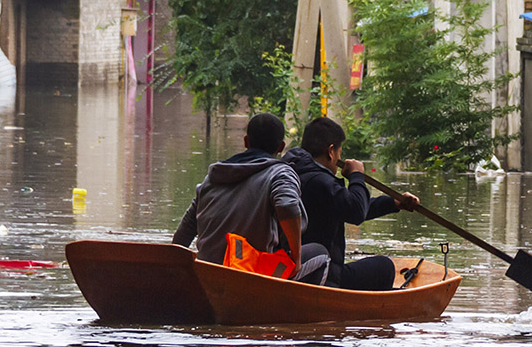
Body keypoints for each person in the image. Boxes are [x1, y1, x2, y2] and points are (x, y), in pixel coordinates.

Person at [172, 113, 329, 284]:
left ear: (246, 142)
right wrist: (296, 258)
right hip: (250, 276)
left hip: (207, 274)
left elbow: (184, 233)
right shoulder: (280, 173)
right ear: (281, 147)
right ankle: (285, 309)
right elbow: (288, 205)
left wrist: (171, 268)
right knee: (321, 254)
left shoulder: (212, 178)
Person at [283, 117, 420, 290]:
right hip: (324, 274)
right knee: (384, 267)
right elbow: (356, 211)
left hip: (293, 266)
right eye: (340, 152)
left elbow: (347, 206)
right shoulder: (321, 181)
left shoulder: (292, 174)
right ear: (331, 152)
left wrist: (392, 203)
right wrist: (356, 176)